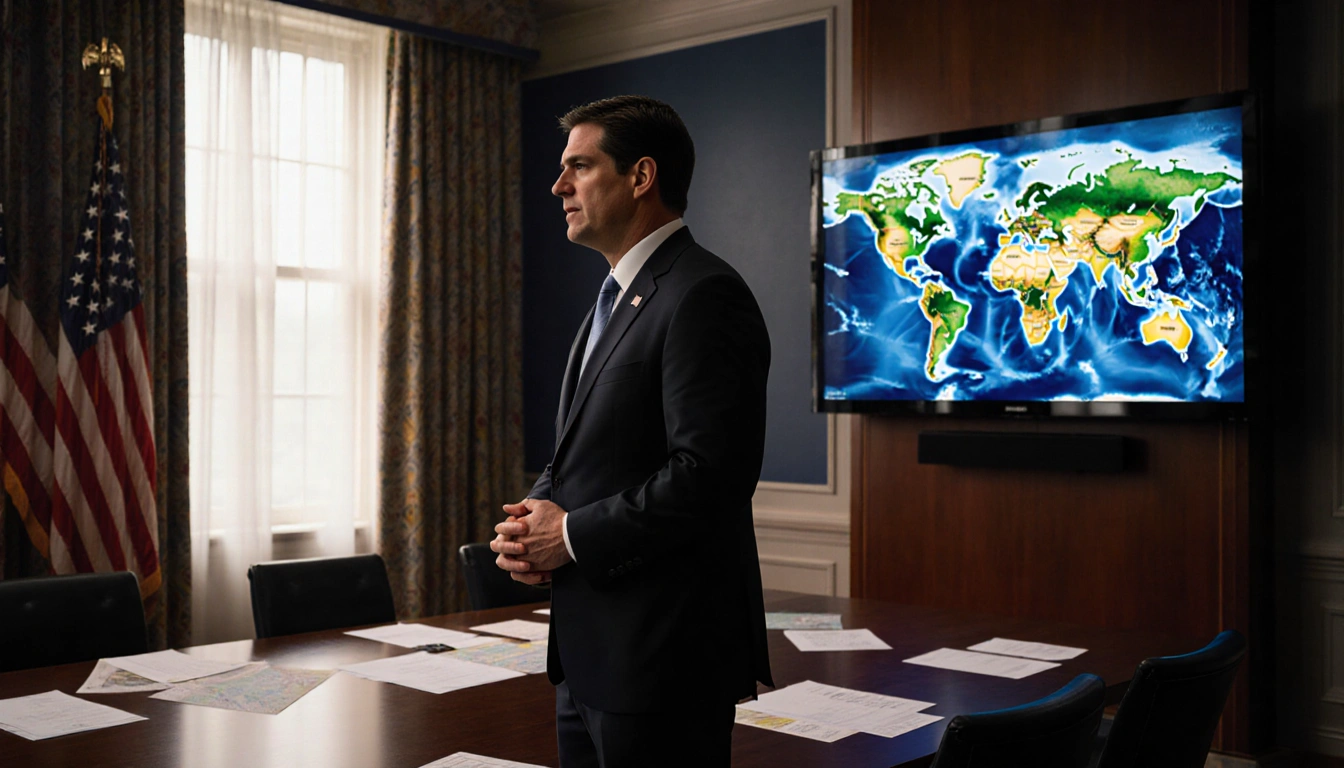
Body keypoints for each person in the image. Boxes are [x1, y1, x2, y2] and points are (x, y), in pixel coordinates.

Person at [490, 95, 773, 767]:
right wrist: (533, 519)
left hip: (665, 664)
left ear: (641, 177)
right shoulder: (612, 298)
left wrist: (571, 535)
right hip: (590, 662)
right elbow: (590, 452)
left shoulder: (703, 294)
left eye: (579, 167)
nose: (558, 186)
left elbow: (711, 474)